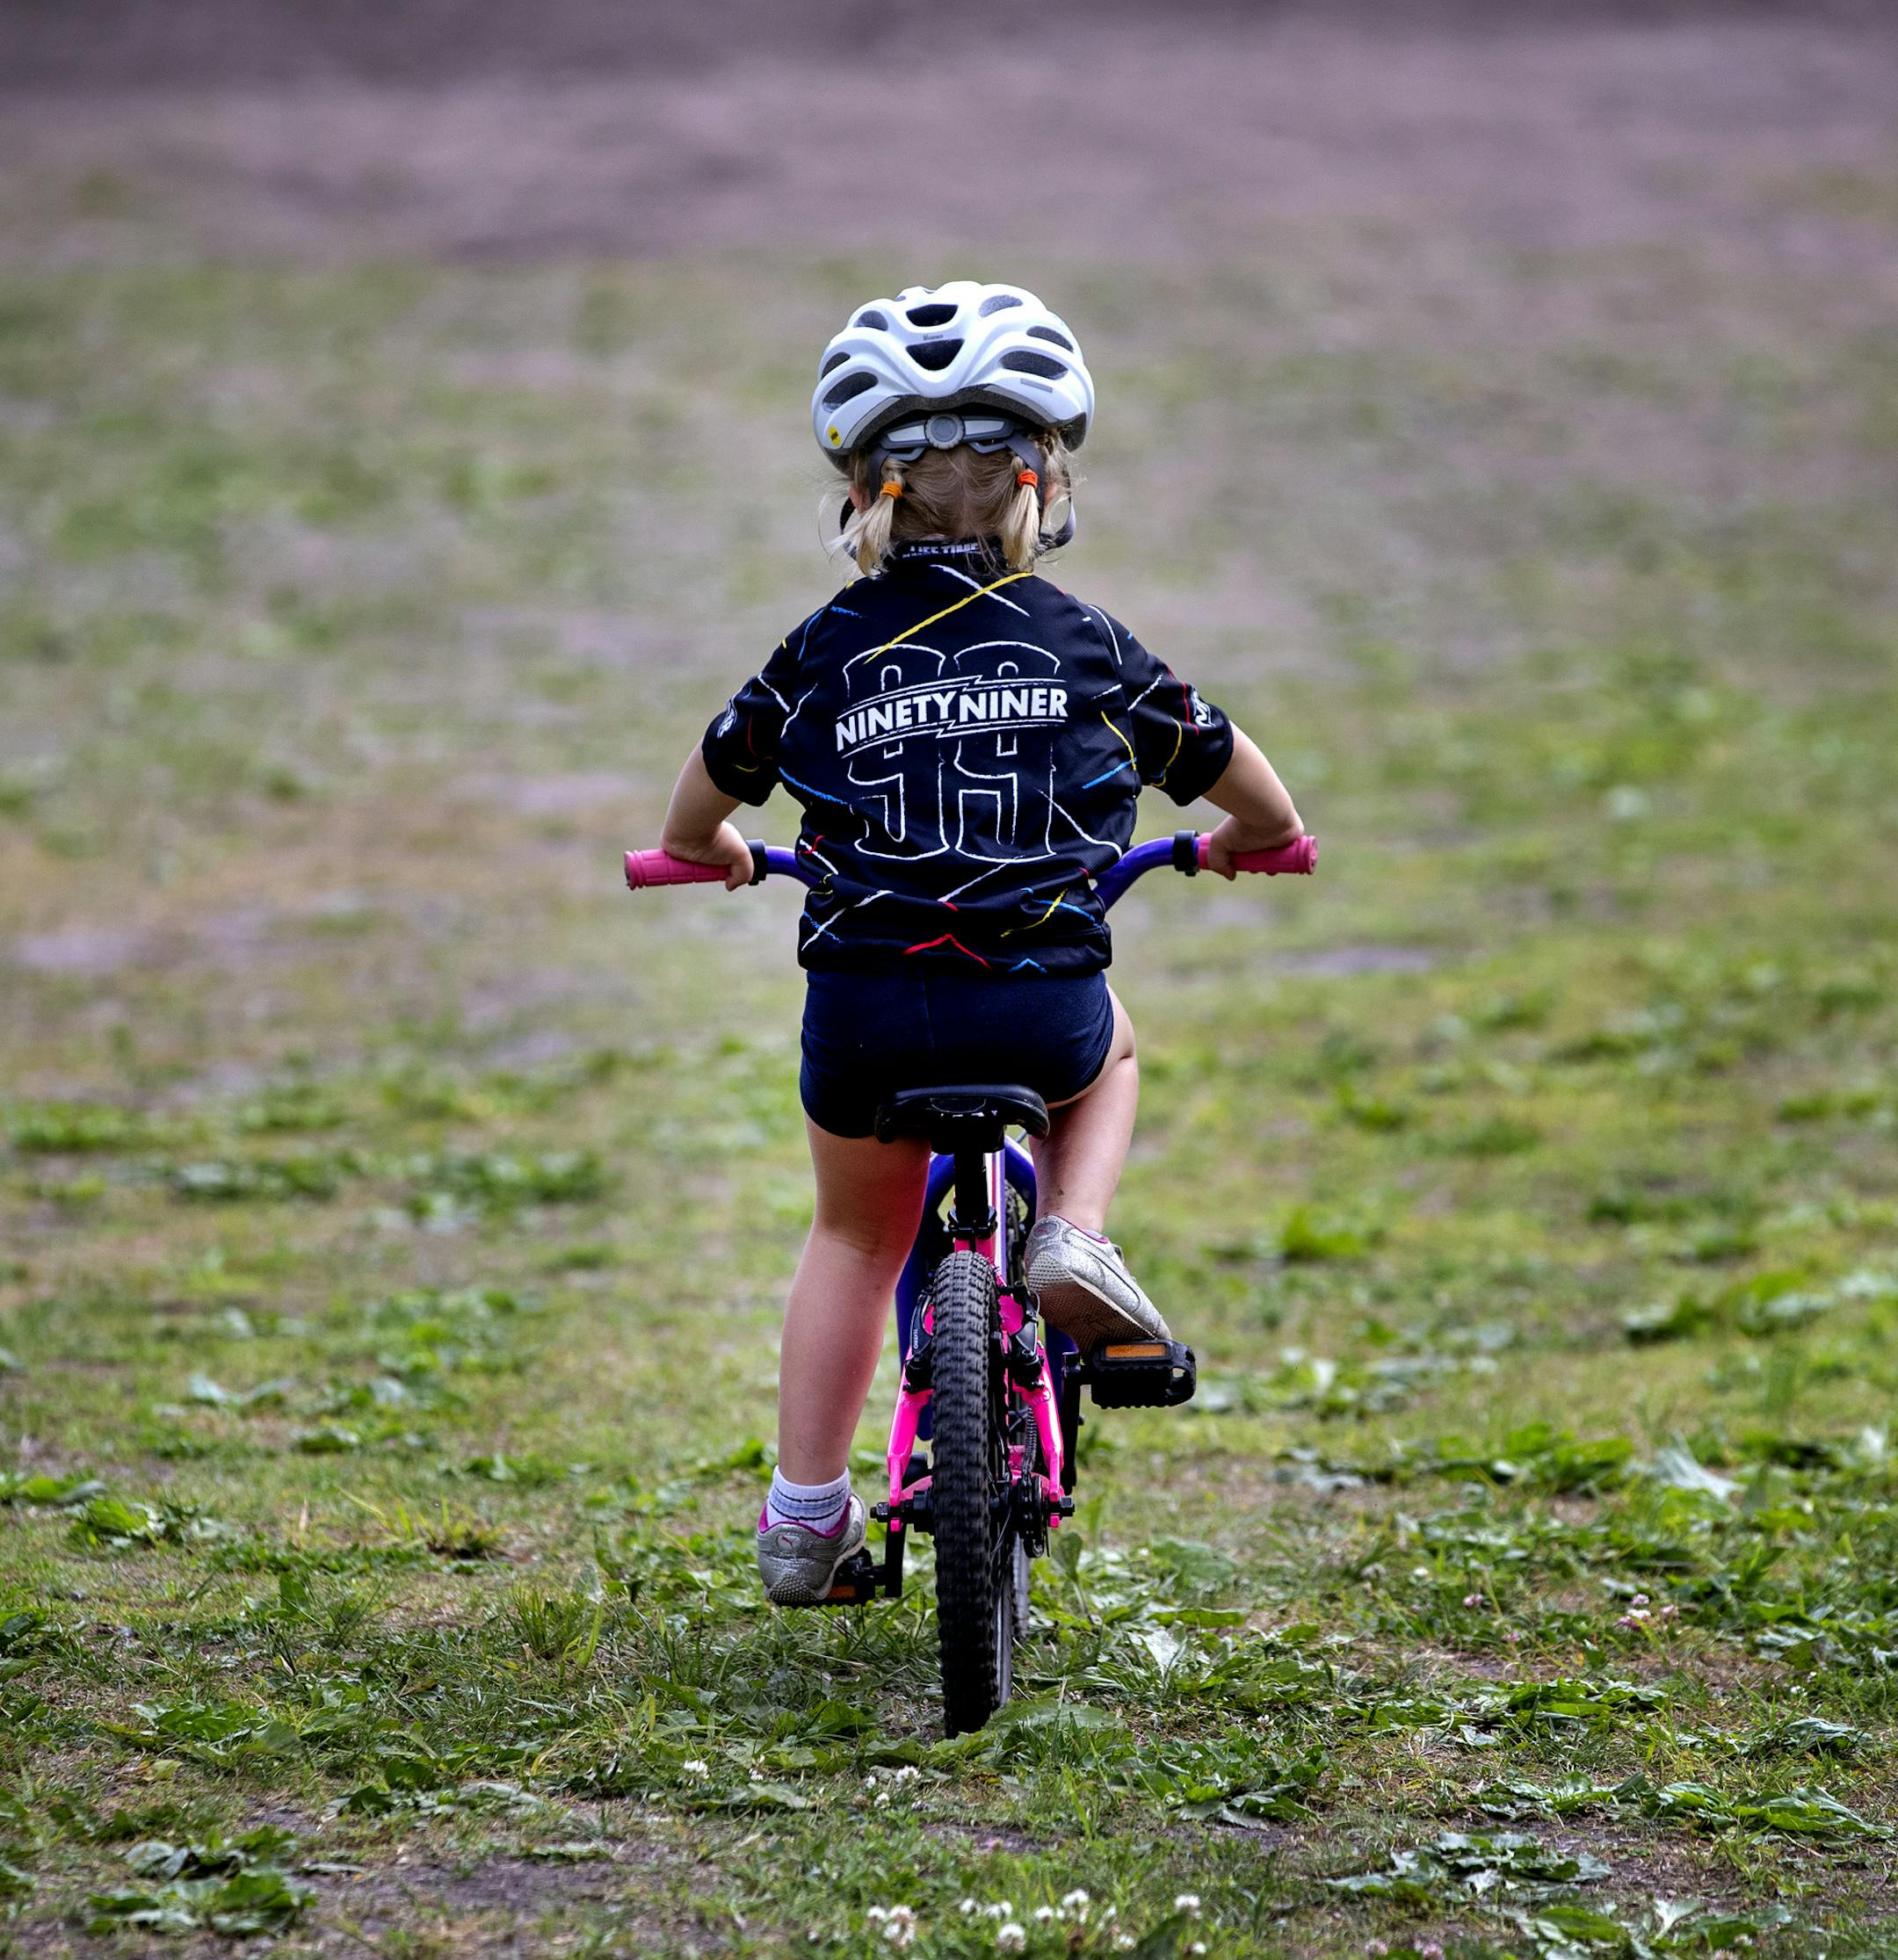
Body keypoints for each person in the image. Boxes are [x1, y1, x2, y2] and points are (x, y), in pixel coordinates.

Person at [656, 281, 1305, 1602]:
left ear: (867, 493)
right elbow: (1245, 780)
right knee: (1111, 1052)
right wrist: (1256, 838)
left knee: (855, 1236)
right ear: (1040, 483)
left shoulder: (824, 645)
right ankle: (1072, 1230)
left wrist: (705, 851)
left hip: (864, 1013)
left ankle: (803, 1517)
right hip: (1038, 1006)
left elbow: (706, 789)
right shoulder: (1086, 640)